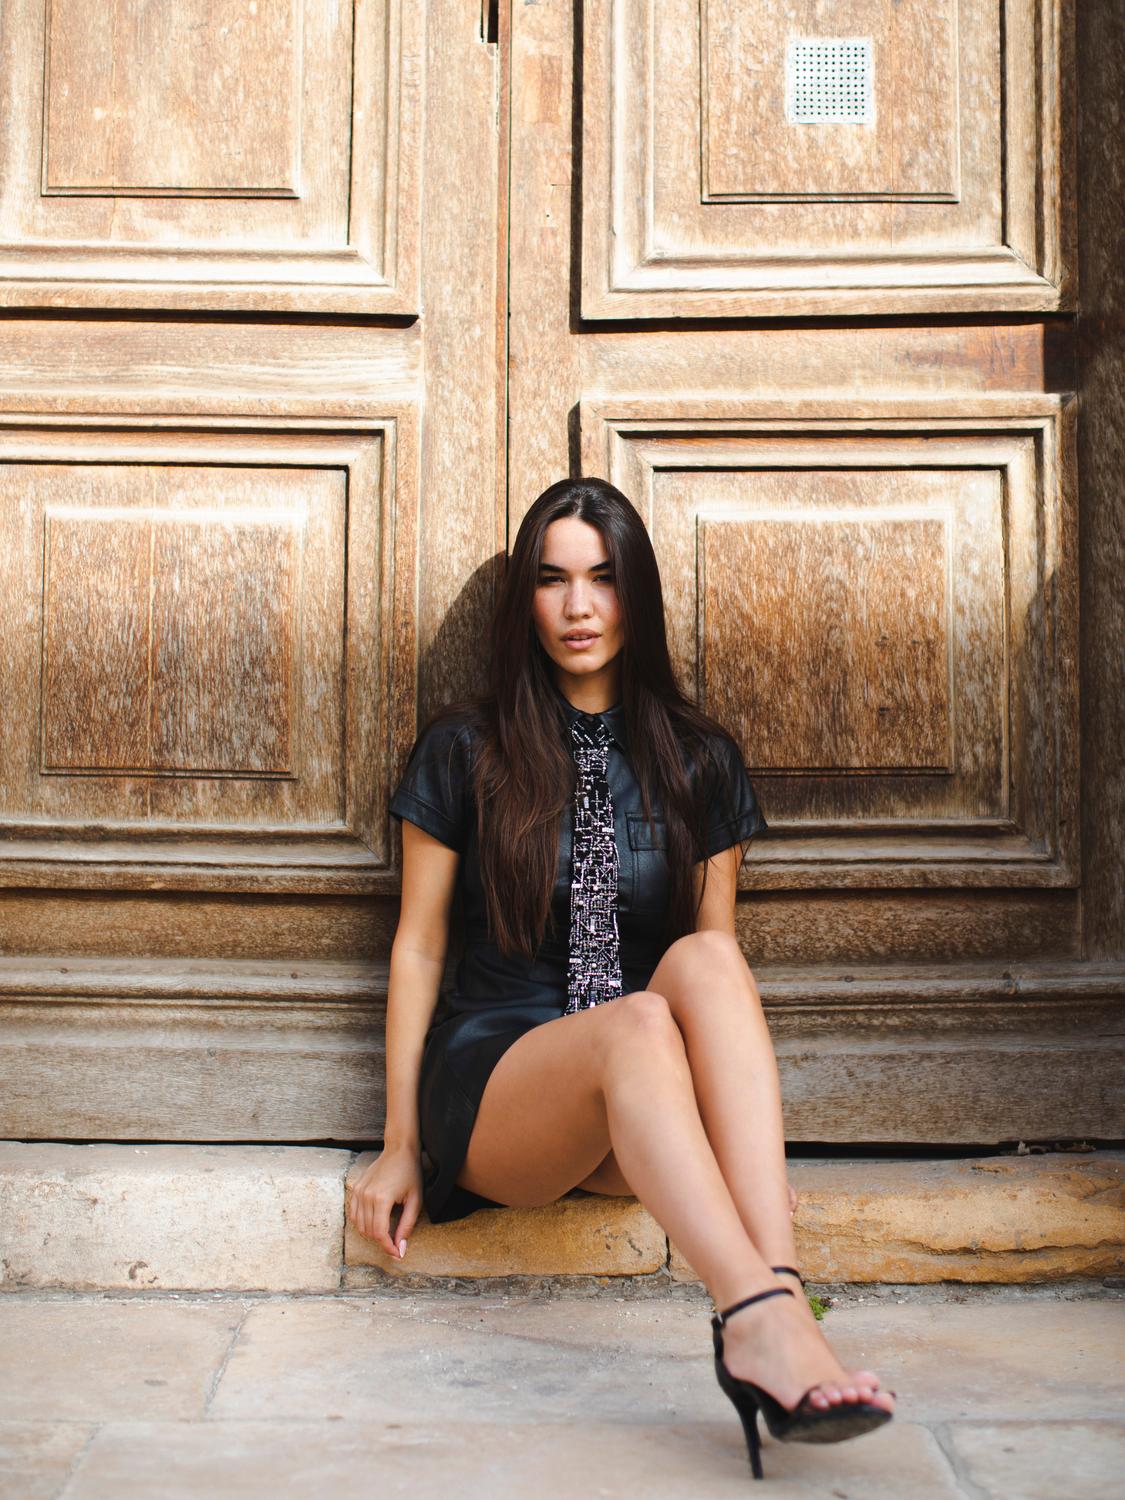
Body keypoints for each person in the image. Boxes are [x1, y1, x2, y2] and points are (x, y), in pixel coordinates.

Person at [348, 477, 895, 1478]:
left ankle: (776, 1280)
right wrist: (394, 1147)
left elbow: (710, 978)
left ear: (634, 594)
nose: (579, 606)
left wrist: (751, 1166)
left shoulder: (700, 760)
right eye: (552, 581)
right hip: (501, 1083)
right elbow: (419, 946)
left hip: (637, 1102)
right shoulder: (462, 750)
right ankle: (762, 1321)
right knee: (638, 1023)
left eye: (603, 579)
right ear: (527, 603)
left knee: (704, 958)